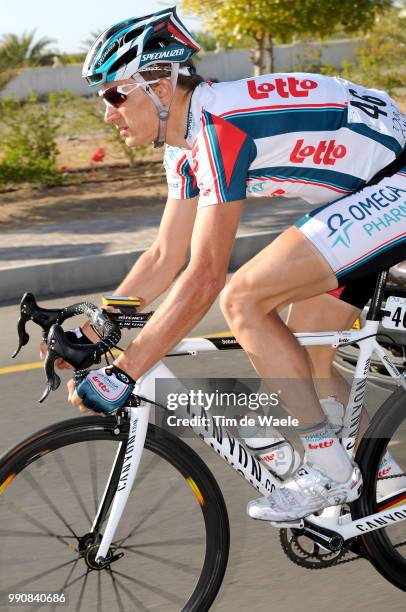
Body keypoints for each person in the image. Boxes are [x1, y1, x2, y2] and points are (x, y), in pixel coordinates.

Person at [53, 7, 406, 521]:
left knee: (242, 298)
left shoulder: (220, 129)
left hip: (394, 185)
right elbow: (163, 257)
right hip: (365, 190)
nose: (107, 113)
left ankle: (331, 470)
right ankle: (385, 481)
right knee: (308, 354)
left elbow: (204, 275)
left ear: (160, 84)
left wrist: (126, 370)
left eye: (114, 93)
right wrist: (94, 328)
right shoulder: (186, 141)